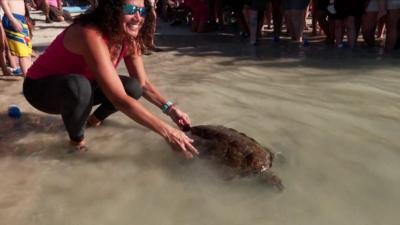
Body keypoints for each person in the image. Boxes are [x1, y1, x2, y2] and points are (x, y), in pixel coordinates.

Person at [23, 0, 199, 158]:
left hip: (80, 86)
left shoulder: (129, 38)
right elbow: (119, 100)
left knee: (133, 87)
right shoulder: (90, 34)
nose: (138, 17)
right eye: (131, 9)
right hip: (40, 89)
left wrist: (171, 109)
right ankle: (76, 144)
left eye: (142, 11)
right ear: (112, 10)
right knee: (79, 86)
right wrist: (167, 132)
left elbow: (142, 84)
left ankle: (92, 121)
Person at [0, 0, 32, 76]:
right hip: (14, 19)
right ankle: (28, 76)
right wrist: (12, 20)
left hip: (21, 19)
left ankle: (30, 73)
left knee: (27, 51)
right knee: (22, 52)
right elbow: (3, 2)